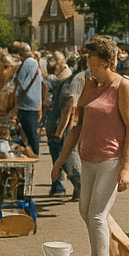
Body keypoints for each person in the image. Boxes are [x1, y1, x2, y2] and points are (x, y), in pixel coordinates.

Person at [51, 35, 129, 256]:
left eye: (91, 57)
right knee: (85, 210)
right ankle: (118, 248)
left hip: (111, 159)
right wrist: (60, 160)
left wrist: (126, 168)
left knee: (97, 215)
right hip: (87, 159)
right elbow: (77, 127)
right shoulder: (90, 86)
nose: (87, 62)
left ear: (105, 60)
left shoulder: (123, 87)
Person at [45, 52, 81, 199]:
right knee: (61, 159)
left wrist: (59, 133)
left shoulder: (67, 83)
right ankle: (60, 186)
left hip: (61, 128)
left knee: (67, 159)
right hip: (56, 125)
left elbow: (67, 111)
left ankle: (80, 187)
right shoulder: (63, 81)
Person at [13, 43, 45, 156]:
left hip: (27, 103)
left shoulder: (29, 62)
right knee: (30, 132)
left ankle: (34, 154)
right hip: (32, 102)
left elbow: (21, 82)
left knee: (29, 132)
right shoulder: (33, 62)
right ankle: (33, 153)